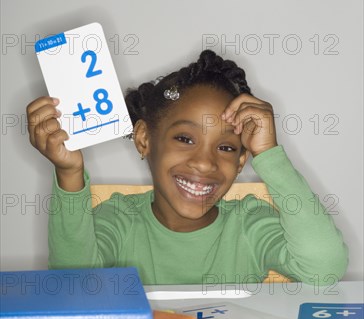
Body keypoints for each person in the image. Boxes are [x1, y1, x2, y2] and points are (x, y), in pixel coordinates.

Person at [26, 50, 348, 285]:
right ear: (144, 140)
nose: (205, 162)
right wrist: (69, 174)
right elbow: (76, 284)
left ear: (241, 162)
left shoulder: (249, 226)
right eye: (184, 138)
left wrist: (270, 154)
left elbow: (324, 267)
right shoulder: (120, 220)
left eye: (225, 147)